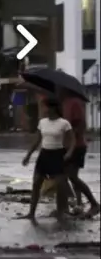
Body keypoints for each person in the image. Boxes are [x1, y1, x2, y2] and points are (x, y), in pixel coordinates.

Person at [18, 97, 75, 221]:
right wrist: (28, 155)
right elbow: (37, 140)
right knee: (36, 183)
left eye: (47, 107)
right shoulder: (42, 122)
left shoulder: (64, 123)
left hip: (58, 154)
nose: (45, 110)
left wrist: (69, 152)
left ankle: (61, 211)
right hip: (44, 154)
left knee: (60, 185)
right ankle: (31, 213)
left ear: (53, 108)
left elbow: (73, 140)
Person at [58, 87, 100, 218]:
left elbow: (81, 124)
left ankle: (92, 204)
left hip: (76, 146)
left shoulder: (74, 102)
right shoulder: (63, 103)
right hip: (65, 146)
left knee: (69, 176)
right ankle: (73, 205)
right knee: (66, 176)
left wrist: (72, 137)